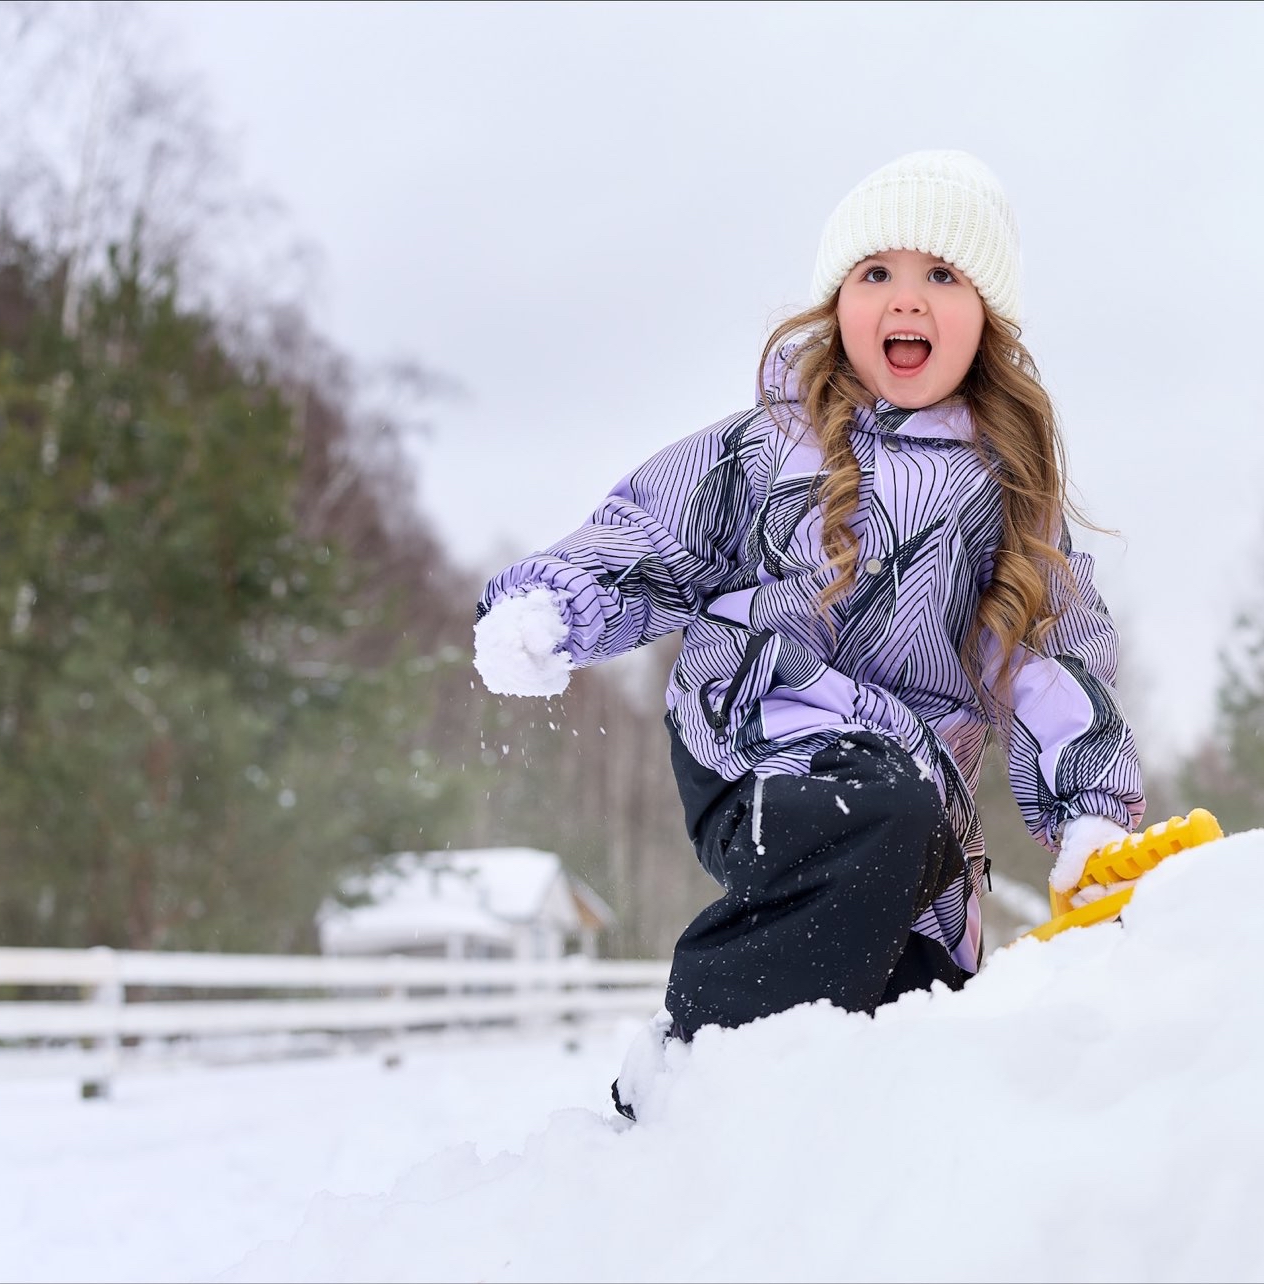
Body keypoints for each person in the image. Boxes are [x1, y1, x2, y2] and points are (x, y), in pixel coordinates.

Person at [473, 150, 1145, 1118]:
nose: (903, 300)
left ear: (986, 321)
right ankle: (691, 1072)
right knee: (873, 815)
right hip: (759, 738)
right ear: (838, 302)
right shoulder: (770, 446)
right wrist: (557, 604)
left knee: (905, 1007)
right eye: (876, 274)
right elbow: (658, 533)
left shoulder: (1005, 500)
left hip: (915, 805)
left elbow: (1050, 660)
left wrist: (1088, 805)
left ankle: (815, 1171)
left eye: (940, 275)